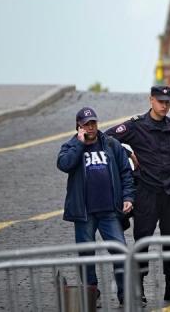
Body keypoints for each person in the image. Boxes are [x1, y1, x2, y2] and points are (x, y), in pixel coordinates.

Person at [105, 85, 170, 302]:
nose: (164, 105)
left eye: (167, 102)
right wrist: (129, 154)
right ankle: (139, 290)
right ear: (151, 101)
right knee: (142, 240)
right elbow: (108, 138)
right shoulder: (136, 126)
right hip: (146, 190)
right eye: (160, 101)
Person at [57, 107, 135, 306]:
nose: (91, 127)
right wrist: (79, 144)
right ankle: (92, 293)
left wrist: (128, 197)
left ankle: (125, 294)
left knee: (120, 252)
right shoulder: (70, 146)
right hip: (84, 213)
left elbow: (126, 172)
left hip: (109, 211)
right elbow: (64, 164)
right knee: (86, 256)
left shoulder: (111, 144)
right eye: (86, 124)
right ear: (79, 127)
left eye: (93, 123)